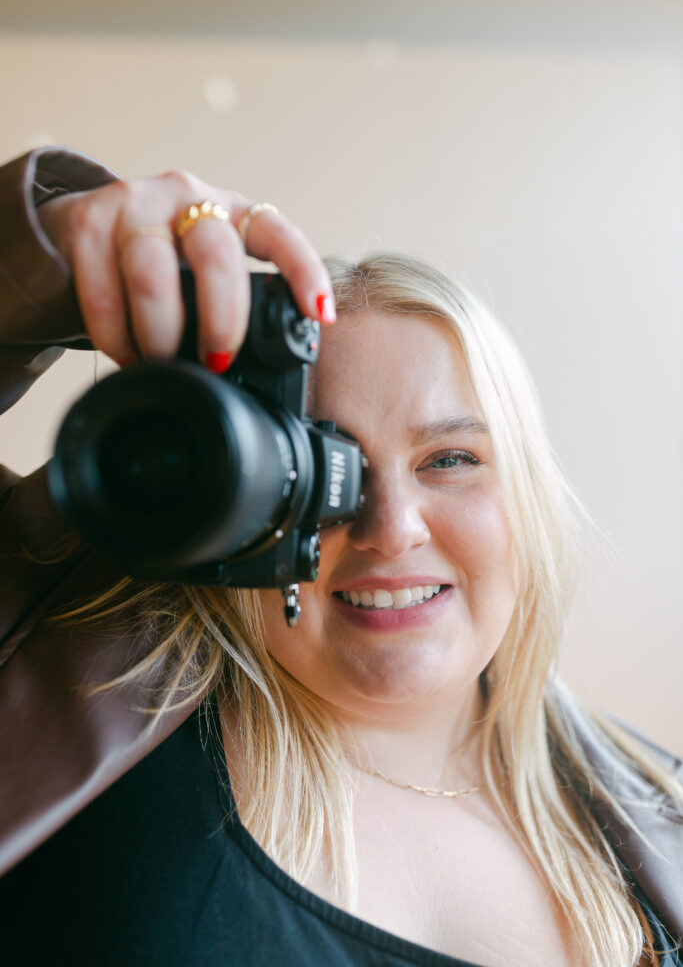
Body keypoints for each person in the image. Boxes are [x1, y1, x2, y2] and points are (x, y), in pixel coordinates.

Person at [0, 147, 681, 967]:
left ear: (526, 497)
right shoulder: (54, 677)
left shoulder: (660, 810)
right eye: (327, 470)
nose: (389, 530)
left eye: (450, 460)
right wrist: (31, 261)